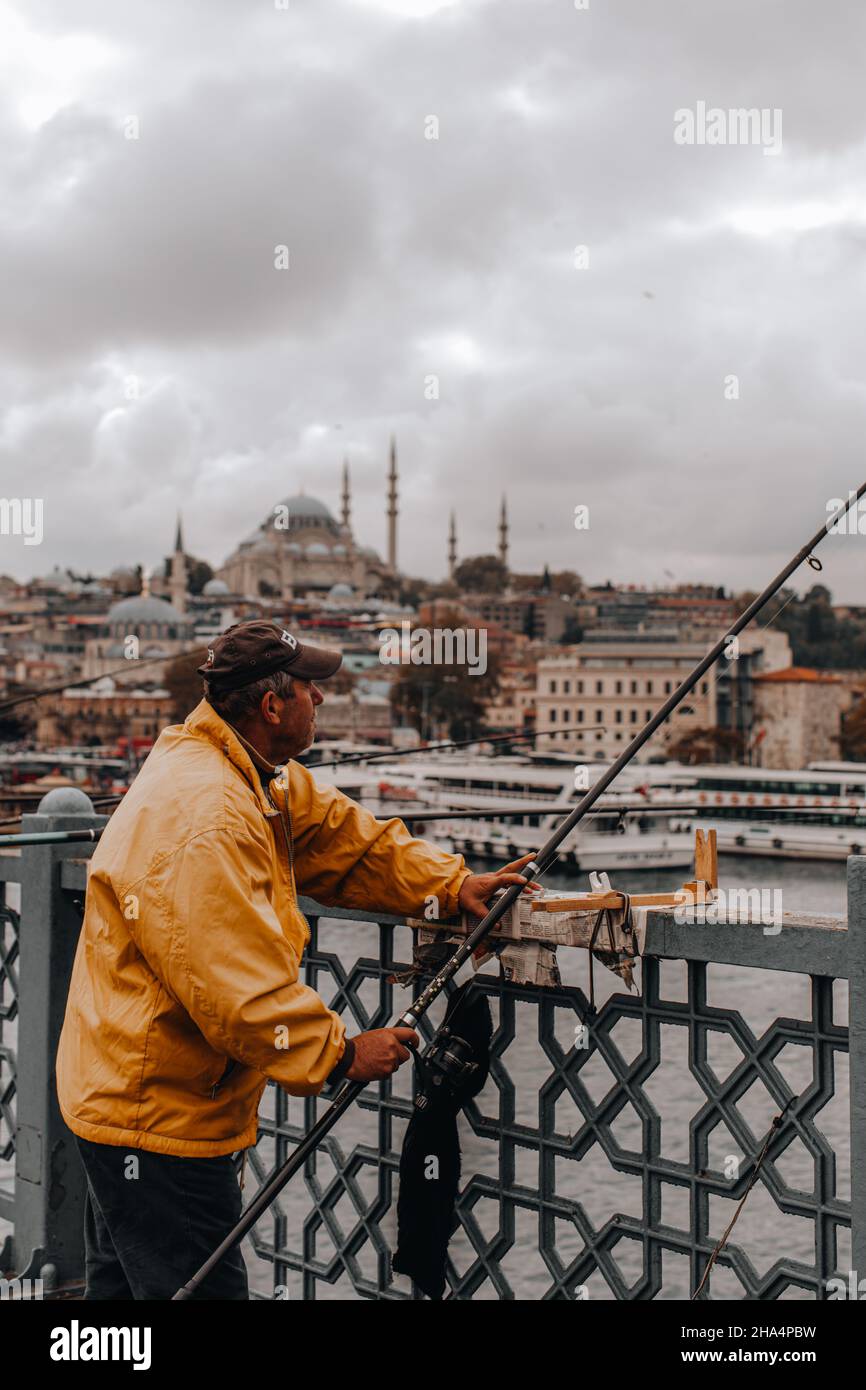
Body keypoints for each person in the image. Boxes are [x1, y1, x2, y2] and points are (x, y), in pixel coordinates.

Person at [56, 619, 537, 1299]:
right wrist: (340, 1054)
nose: (323, 700)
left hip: (123, 1097)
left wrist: (451, 886)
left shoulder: (236, 770)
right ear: (273, 705)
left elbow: (347, 841)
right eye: (313, 689)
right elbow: (233, 985)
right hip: (156, 1122)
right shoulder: (211, 812)